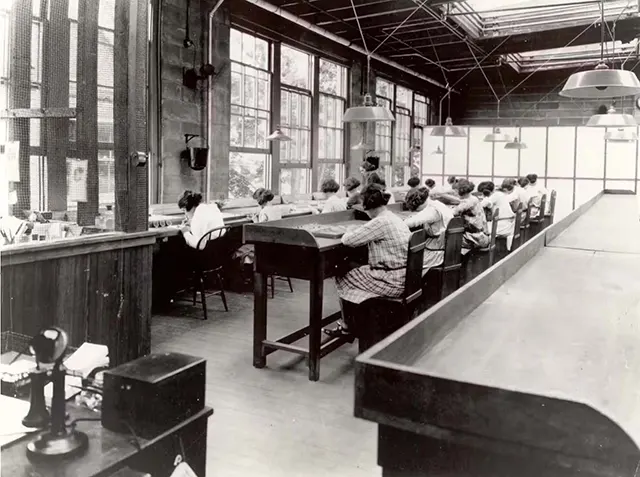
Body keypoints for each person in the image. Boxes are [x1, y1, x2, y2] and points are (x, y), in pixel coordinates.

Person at [325, 184, 411, 338]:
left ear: (368, 205)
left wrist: (349, 231)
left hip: (392, 281)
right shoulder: (393, 217)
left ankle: (348, 326)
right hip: (405, 276)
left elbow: (348, 240)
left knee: (341, 274)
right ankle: (354, 320)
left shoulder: (380, 222)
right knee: (355, 268)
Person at [404, 187, 454, 273]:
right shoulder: (437, 204)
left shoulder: (432, 210)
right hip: (445, 246)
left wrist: (398, 222)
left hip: (437, 251)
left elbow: (412, 222)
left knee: (406, 262)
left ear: (418, 203)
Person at [452, 179, 489, 252]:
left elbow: (452, 213)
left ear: (461, 191)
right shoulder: (473, 198)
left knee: (448, 239)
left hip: (476, 238)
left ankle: (457, 261)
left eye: (455, 191)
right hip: (481, 236)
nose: (455, 193)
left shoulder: (468, 202)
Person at [484, 180, 517, 250]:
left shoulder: (496, 195)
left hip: (503, 226)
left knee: (481, 230)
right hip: (508, 224)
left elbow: (483, 204)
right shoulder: (501, 194)